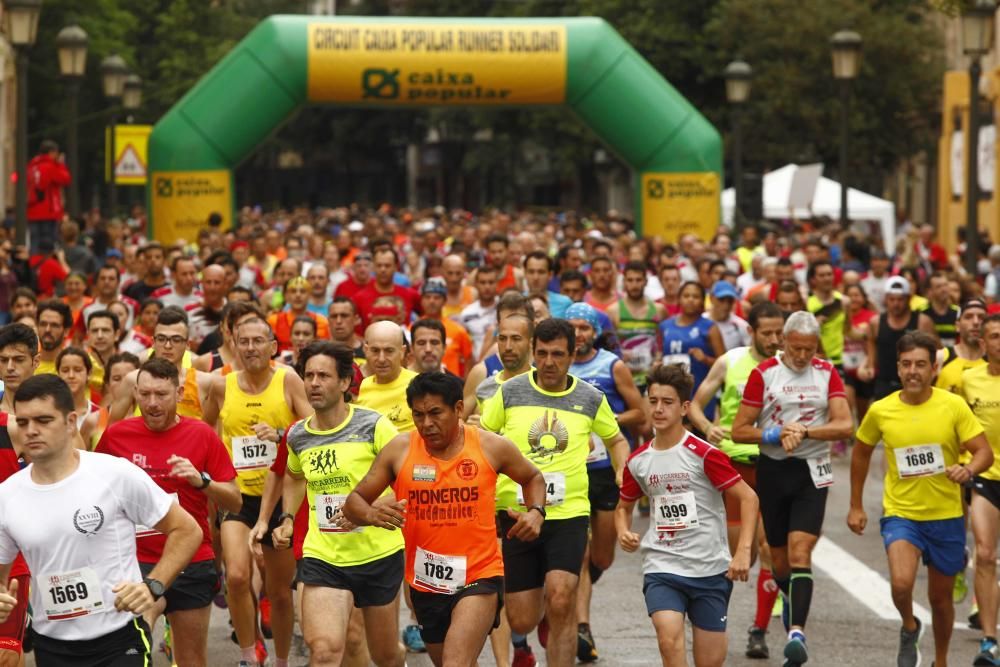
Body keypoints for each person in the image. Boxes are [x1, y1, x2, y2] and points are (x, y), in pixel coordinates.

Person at [344, 371, 546, 667]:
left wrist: (535, 512)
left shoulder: (489, 446)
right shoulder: (400, 450)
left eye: (436, 413)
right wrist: (371, 514)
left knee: (455, 662)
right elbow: (354, 501)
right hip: (426, 583)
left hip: (480, 576)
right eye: (418, 415)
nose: (427, 424)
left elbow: (532, 477)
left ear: (459, 409)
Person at [0, 374, 202, 666]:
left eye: (43, 421)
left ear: (71, 422)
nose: (31, 431)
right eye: (23, 422)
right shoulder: (7, 495)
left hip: (118, 639)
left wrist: (152, 586)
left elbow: (186, 529)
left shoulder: (113, 475)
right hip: (51, 645)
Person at [480, 318, 629, 667]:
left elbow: (616, 439)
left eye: (558, 354)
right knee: (521, 619)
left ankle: (559, 607)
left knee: (563, 597)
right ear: (533, 352)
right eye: (542, 354)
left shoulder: (590, 397)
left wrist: (622, 469)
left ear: (573, 354)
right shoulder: (510, 392)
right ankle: (547, 604)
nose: (549, 362)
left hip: (568, 513)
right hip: (516, 514)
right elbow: (482, 439)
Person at [255, 341, 406, 667]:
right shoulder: (297, 435)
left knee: (385, 655)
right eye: (308, 375)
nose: (313, 383)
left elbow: (409, 481)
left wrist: (366, 513)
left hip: (378, 553)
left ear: (344, 382)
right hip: (324, 555)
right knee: (324, 651)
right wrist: (287, 518)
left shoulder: (374, 425)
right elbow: (294, 476)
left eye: (323, 375)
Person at [849, 331, 993, 667]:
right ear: (898, 368)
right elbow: (860, 453)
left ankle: (940, 659)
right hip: (902, 513)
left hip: (946, 515)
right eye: (906, 364)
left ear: (933, 369)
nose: (913, 371)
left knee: (941, 600)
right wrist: (855, 504)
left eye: (921, 365)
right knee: (901, 585)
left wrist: (968, 470)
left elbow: (983, 452)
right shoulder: (881, 411)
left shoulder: (952, 406)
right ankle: (910, 625)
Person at [95, 357, 241, 667]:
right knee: (133, 652)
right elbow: (93, 492)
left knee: (191, 660)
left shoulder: (201, 434)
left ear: (178, 394)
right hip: (134, 563)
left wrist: (202, 482)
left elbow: (234, 501)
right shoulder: (117, 436)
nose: (152, 403)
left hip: (192, 560)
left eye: (161, 395)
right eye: (145, 394)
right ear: (135, 393)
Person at [732, 311, 854, 667]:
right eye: (796, 348)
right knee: (779, 559)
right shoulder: (764, 373)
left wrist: (805, 431)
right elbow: (739, 430)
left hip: (811, 471)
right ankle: (791, 613)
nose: (802, 356)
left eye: (809, 349)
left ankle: (796, 632)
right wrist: (772, 433)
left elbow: (844, 424)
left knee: (802, 552)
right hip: (773, 470)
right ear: (784, 341)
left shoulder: (826, 372)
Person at [616, 363, 758, 667]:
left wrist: (743, 552)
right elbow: (623, 507)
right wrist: (622, 531)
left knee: (710, 661)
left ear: (684, 408)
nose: (658, 409)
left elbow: (749, 498)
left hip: (710, 569)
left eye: (667, 402)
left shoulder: (704, 454)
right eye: (653, 401)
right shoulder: (638, 461)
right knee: (668, 639)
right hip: (663, 565)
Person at [202, 317, 311, 667]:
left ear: (272, 346)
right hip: (239, 496)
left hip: (281, 497)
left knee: (279, 592)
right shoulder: (223, 386)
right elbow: (206, 433)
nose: (250, 348)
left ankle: (280, 659)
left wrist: (280, 434)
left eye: (257, 341)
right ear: (233, 344)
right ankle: (249, 655)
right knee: (235, 576)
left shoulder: (287, 380)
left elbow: (314, 429)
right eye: (243, 341)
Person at [687, 301, 785, 659]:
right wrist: (706, 427)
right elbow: (695, 403)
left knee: (767, 550)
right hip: (731, 467)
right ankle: (715, 619)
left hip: (773, 465)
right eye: (767, 333)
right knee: (730, 555)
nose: (775, 339)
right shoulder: (730, 361)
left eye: (779, 332)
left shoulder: (789, 365)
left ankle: (758, 630)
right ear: (751, 331)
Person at [566, 302, 643, 662]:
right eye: (573, 327)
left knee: (602, 557)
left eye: (585, 327)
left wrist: (609, 416)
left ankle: (574, 594)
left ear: (595, 331)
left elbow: (640, 414)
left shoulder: (612, 365)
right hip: (572, 472)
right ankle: (581, 625)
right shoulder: (556, 367)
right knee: (578, 556)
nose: (579, 333)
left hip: (606, 473)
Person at [954, 314, 1000, 665]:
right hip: (986, 476)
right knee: (984, 554)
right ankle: (989, 639)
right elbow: (952, 423)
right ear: (983, 344)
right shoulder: (968, 381)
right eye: (994, 337)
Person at [0, 324, 37, 663]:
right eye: (3, 360)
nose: (9, 367)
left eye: (17, 359)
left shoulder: (40, 423)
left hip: (18, 552)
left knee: (6, 653)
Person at [108, 307, 214, 423]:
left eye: (176, 339)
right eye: (162, 339)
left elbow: (212, 430)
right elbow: (112, 428)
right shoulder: (133, 380)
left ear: (188, 344)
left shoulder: (204, 382)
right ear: (153, 342)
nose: (168, 346)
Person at [858, 276, 936, 400]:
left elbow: (937, 352)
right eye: (892, 299)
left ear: (908, 299)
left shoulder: (923, 321)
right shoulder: (876, 322)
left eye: (900, 300)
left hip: (915, 383)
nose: (896, 304)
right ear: (886, 300)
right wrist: (868, 366)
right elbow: (872, 346)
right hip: (884, 384)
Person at [658, 282, 725, 418]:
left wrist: (705, 359)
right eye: (686, 295)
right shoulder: (665, 326)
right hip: (671, 393)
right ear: (679, 299)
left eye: (695, 296)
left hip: (700, 393)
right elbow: (660, 354)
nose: (690, 300)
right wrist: (658, 364)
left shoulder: (710, 327)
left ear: (702, 301)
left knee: (698, 436)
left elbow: (725, 364)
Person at [608, 261, 666, 392]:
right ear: (624, 282)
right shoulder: (613, 311)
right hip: (624, 380)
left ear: (645, 281)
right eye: (630, 280)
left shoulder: (659, 310)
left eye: (638, 280)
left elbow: (663, 341)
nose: (634, 285)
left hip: (651, 379)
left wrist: (658, 358)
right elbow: (608, 347)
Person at [356, 321, 418, 433]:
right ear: (366, 351)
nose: (381, 359)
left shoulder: (419, 386)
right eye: (375, 351)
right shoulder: (357, 390)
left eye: (389, 351)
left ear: (402, 352)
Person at [417, 279, 474, 377]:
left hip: (451, 386)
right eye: (427, 297)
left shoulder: (458, 330)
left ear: (444, 301)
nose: (432, 301)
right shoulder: (412, 330)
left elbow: (468, 360)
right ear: (421, 300)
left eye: (437, 297)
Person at [26, 139, 71, 257]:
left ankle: (33, 268)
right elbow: (65, 179)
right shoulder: (50, 166)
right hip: (48, 212)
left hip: (32, 211)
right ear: (51, 152)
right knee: (47, 244)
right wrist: (60, 164)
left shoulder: (32, 166)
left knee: (34, 242)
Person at [458, 264, 500, 358]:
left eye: (491, 282)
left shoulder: (505, 309)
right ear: (476, 284)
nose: (487, 286)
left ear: (497, 283)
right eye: (483, 282)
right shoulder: (467, 313)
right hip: (476, 365)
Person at [523, 251, 572, 318]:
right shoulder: (517, 302)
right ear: (525, 273)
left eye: (541, 272)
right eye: (531, 272)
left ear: (550, 275)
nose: (536, 277)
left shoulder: (564, 304)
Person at [708, 281, 751, 350]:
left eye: (730, 301)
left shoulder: (741, 325)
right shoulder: (701, 320)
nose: (726, 305)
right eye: (721, 300)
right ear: (711, 298)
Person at [35, 299, 72, 376]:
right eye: (43, 324)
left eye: (54, 325)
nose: (47, 330)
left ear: (66, 331)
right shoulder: (27, 366)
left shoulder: (75, 368)